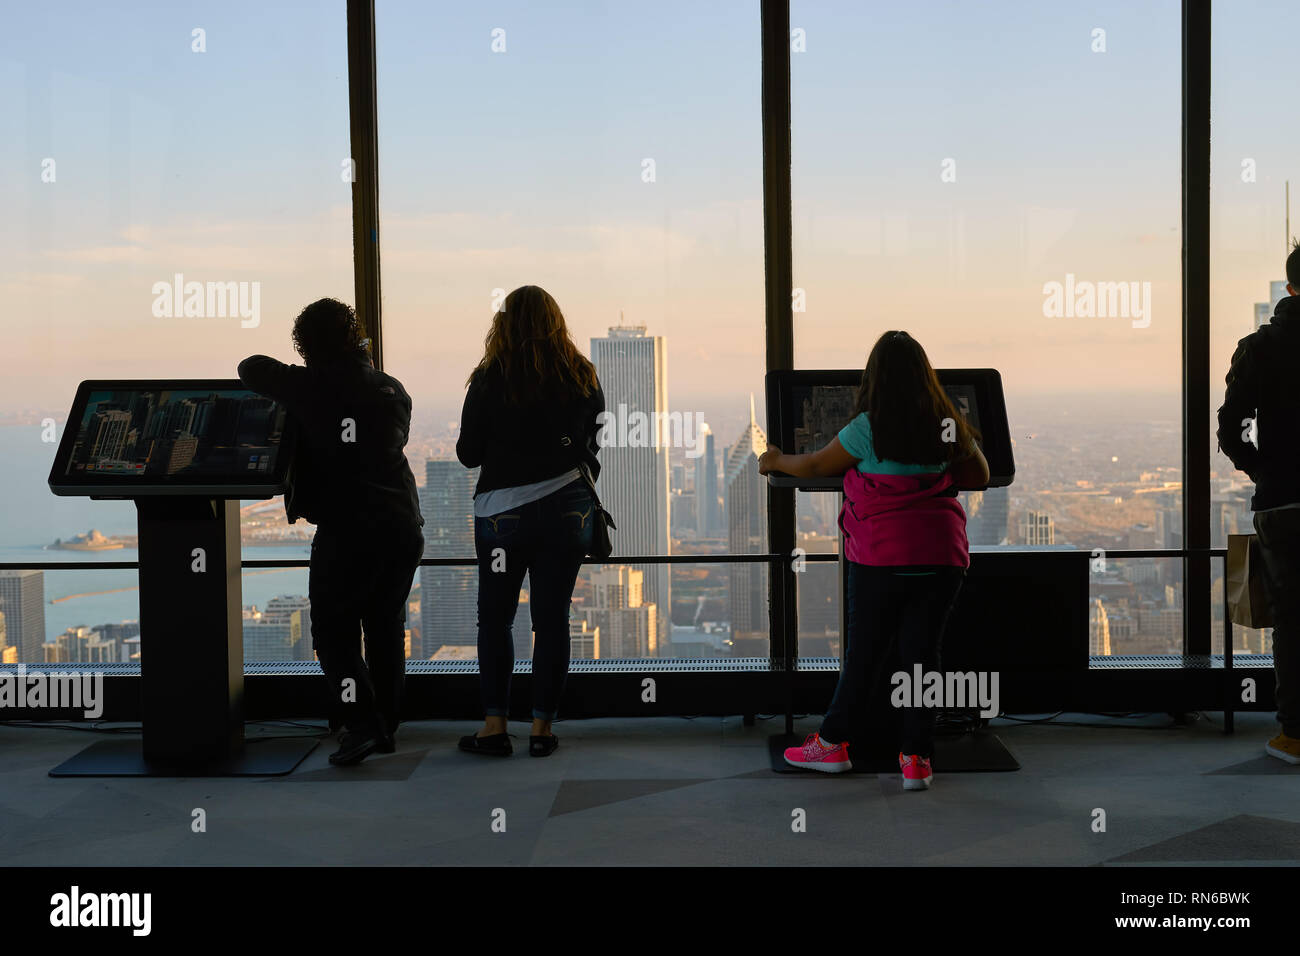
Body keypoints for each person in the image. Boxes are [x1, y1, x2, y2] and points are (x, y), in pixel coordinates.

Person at [758, 331, 989, 790]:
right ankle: (916, 760)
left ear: (875, 379)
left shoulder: (868, 427)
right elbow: (979, 473)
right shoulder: (948, 424)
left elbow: (816, 466)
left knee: (864, 655)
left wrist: (776, 460)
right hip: (942, 559)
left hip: (883, 558)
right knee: (924, 659)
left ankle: (833, 746)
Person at [238, 298, 424, 766]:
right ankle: (387, 721)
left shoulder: (308, 387)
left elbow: (250, 367)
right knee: (384, 626)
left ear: (305, 345)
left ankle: (360, 723)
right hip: (401, 524)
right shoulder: (391, 388)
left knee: (334, 634)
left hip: (347, 530)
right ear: (356, 337)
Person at [455, 285, 604, 758]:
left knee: (495, 620)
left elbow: (467, 454)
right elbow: (593, 442)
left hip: (503, 516)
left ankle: (495, 726)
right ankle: (542, 730)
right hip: (568, 510)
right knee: (552, 619)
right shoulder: (581, 374)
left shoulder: (490, 377)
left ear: (504, 323)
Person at [1217, 242, 1300, 765]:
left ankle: (1294, 733)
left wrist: (1262, 469)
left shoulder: (1261, 346)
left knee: (1292, 619)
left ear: (1290, 288)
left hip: (1285, 502)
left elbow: (1229, 429)